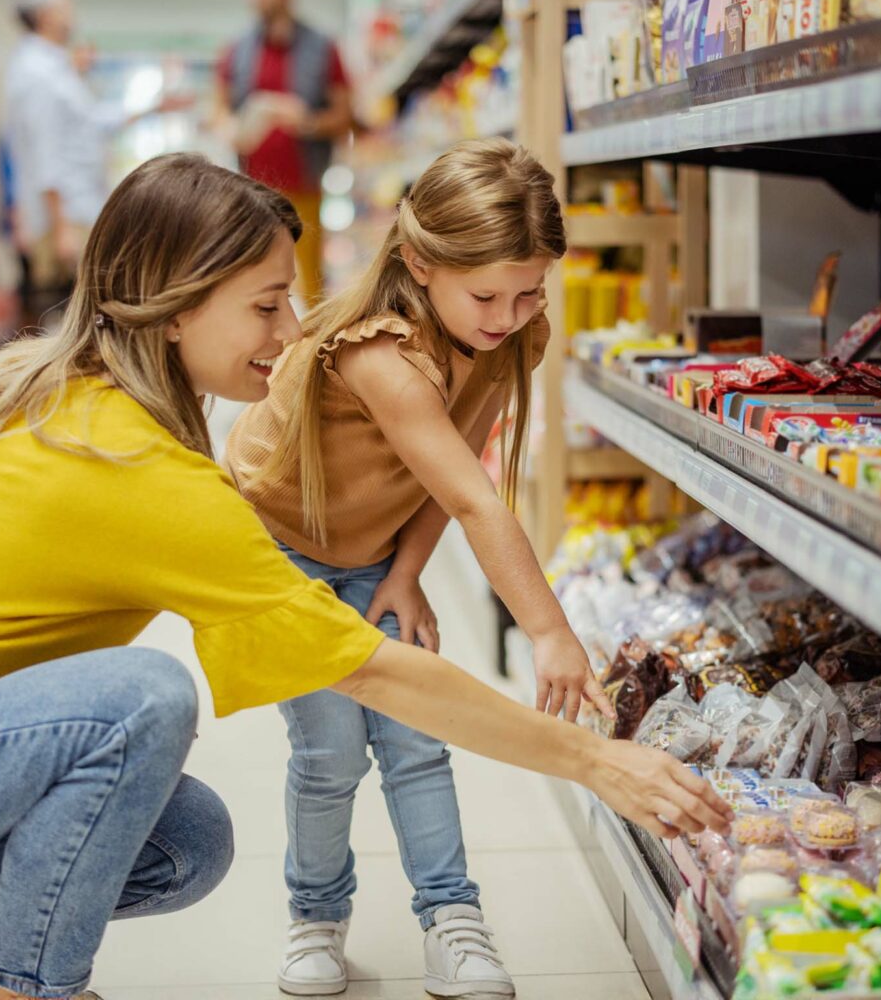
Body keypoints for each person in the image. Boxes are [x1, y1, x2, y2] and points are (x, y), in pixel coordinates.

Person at [0, 153, 730, 1000]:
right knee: (143, 700)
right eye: (267, 305)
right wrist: (595, 762)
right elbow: (373, 670)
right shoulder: (132, 462)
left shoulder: (76, 400)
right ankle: (15, 991)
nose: (291, 329)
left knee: (187, 842)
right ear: (172, 309)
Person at [225, 139, 622, 998]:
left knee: (418, 740)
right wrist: (550, 633)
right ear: (418, 262)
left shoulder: (510, 335)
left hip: (373, 546)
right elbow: (481, 499)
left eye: (530, 292)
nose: (509, 314)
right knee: (330, 754)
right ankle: (317, 917)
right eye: (486, 294)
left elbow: (452, 470)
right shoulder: (379, 357)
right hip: (279, 552)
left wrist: (405, 572)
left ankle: (452, 917)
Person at [3, 0, 186, 326]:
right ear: (44, 15)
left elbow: (93, 123)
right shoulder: (36, 72)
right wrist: (60, 226)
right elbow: (46, 151)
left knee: (83, 309)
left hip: (78, 207)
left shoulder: (56, 68)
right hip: (65, 212)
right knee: (70, 312)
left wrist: (154, 107)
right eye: (66, 6)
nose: (73, 15)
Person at [215, 0, 353, 307]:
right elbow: (217, 109)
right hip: (253, 188)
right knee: (255, 279)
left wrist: (305, 121)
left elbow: (343, 117)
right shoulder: (237, 50)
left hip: (304, 185)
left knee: (310, 283)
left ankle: (312, 355)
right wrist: (229, 127)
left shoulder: (322, 48)